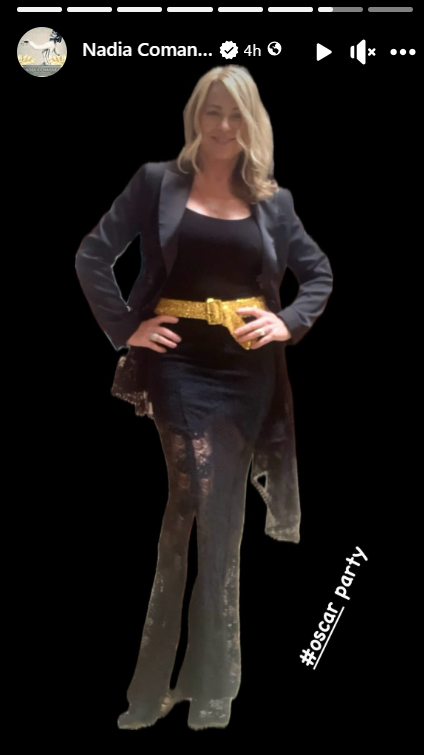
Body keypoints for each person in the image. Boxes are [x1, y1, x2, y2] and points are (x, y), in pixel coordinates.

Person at [75, 65, 333, 730]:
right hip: (178, 367)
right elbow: (92, 254)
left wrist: (287, 321)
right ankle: (193, 687)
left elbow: (318, 274)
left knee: (193, 512)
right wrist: (126, 327)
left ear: (252, 122)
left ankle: (181, 684)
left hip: (248, 374)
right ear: (196, 114)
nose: (222, 125)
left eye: (235, 114)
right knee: (211, 505)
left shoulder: (274, 201)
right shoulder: (156, 181)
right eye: (211, 111)